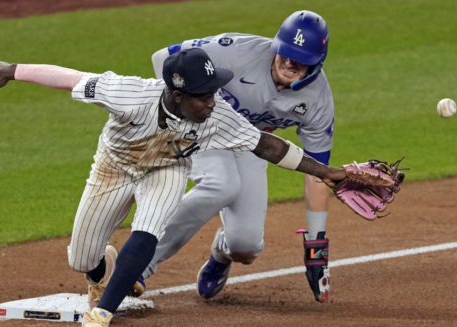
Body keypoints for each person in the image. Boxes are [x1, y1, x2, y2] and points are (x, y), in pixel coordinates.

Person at [0, 48, 347, 327]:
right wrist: (12, 70)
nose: (213, 102)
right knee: (81, 260)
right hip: (113, 169)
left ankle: (103, 310)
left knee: (148, 228)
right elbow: (72, 77)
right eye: (204, 95)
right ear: (177, 95)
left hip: (166, 170)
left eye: (214, 93)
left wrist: (326, 173)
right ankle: (104, 272)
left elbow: (268, 144)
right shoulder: (128, 94)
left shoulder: (217, 115)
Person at [142, 10, 334, 303]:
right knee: (221, 184)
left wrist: (316, 244)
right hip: (203, 128)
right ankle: (140, 264)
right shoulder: (234, 51)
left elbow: (318, 172)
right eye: (286, 53)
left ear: (316, 64)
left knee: (246, 245)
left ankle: (221, 254)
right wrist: (176, 108)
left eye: (301, 59)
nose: (290, 62)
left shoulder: (318, 101)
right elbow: (162, 58)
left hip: (253, 145)